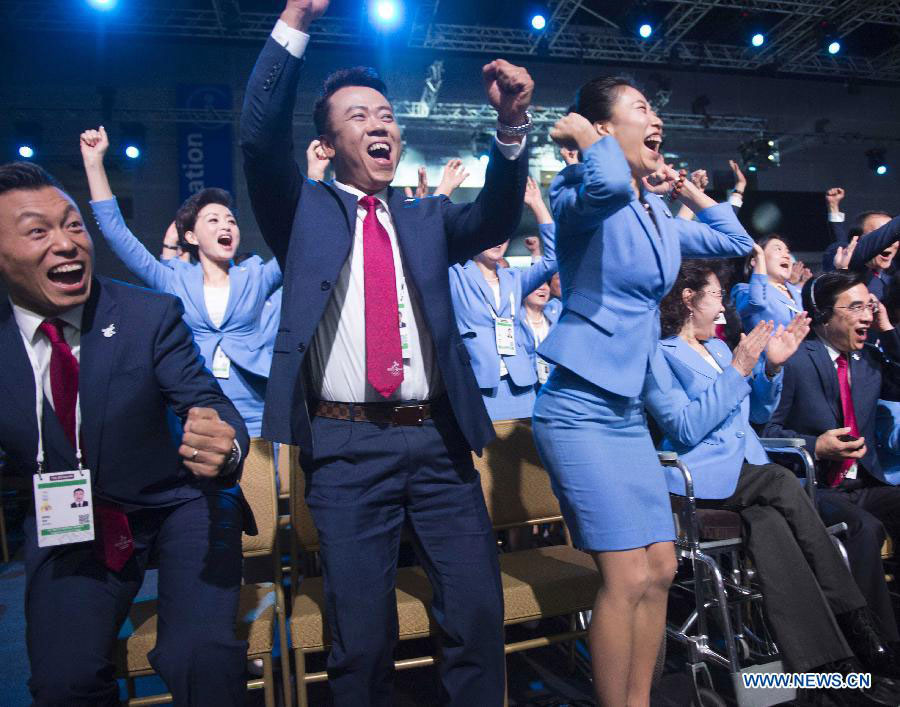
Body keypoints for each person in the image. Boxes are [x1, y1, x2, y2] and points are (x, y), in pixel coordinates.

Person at [239, 0, 532, 703]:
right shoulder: (301, 210)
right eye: (360, 116)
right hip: (345, 449)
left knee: (477, 614)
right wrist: (295, 23)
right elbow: (256, 138)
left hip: (438, 442)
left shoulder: (426, 215)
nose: (381, 124)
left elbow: (496, 215)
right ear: (330, 141)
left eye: (387, 115)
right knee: (362, 638)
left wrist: (513, 125)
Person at [531, 76, 754, 706]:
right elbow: (601, 184)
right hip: (577, 409)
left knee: (661, 569)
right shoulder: (576, 189)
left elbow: (737, 244)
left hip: (626, 413)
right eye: (640, 108)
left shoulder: (654, 210)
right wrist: (583, 140)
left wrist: (682, 189)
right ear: (604, 129)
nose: (656, 117)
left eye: (656, 107)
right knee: (626, 575)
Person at [0, 161, 251, 706]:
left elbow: (208, 403)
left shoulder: (146, 314)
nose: (66, 244)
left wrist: (224, 445)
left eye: (72, 225)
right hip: (70, 518)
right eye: (38, 231)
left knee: (200, 657)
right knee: (64, 682)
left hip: (179, 503)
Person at [644, 261, 900, 693]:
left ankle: (825, 670)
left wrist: (770, 369)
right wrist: (740, 369)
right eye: (715, 297)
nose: (723, 308)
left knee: (770, 530)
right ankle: (858, 621)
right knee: (781, 481)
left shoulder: (722, 350)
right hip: (703, 482)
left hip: (747, 476)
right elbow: (685, 427)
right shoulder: (659, 355)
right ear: (689, 300)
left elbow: (758, 413)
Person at [79, 126, 282, 437]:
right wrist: (94, 164)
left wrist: (317, 176)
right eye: (212, 220)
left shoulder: (256, 274)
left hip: (257, 414)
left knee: (261, 485)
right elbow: (117, 234)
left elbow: (296, 245)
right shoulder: (174, 281)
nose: (225, 225)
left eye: (230, 220)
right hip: (196, 412)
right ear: (191, 236)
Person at [764, 270, 900, 651]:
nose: (866, 316)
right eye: (855, 307)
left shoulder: (869, 359)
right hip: (817, 486)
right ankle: (876, 647)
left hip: (866, 481)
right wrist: (814, 445)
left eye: (869, 306)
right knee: (863, 529)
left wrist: (888, 330)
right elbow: (764, 431)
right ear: (825, 315)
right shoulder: (794, 358)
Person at [449, 175, 557, 420]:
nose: (498, 240)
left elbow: (552, 261)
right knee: (486, 459)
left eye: (504, 234)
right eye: (490, 232)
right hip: (480, 384)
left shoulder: (514, 279)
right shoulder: (456, 274)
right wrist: (441, 194)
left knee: (527, 456)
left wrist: (538, 205)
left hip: (522, 384)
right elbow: (427, 250)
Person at [731, 236, 804, 331]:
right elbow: (757, 302)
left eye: (787, 252)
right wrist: (759, 256)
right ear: (754, 261)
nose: (787, 256)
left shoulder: (795, 292)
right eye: (778, 249)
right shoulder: (744, 290)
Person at [520, 281, 558, 388]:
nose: (543, 288)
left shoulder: (557, 312)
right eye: (537, 284)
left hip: (553, 384)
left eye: (546, 284)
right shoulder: (513, 318)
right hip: (523, 384)